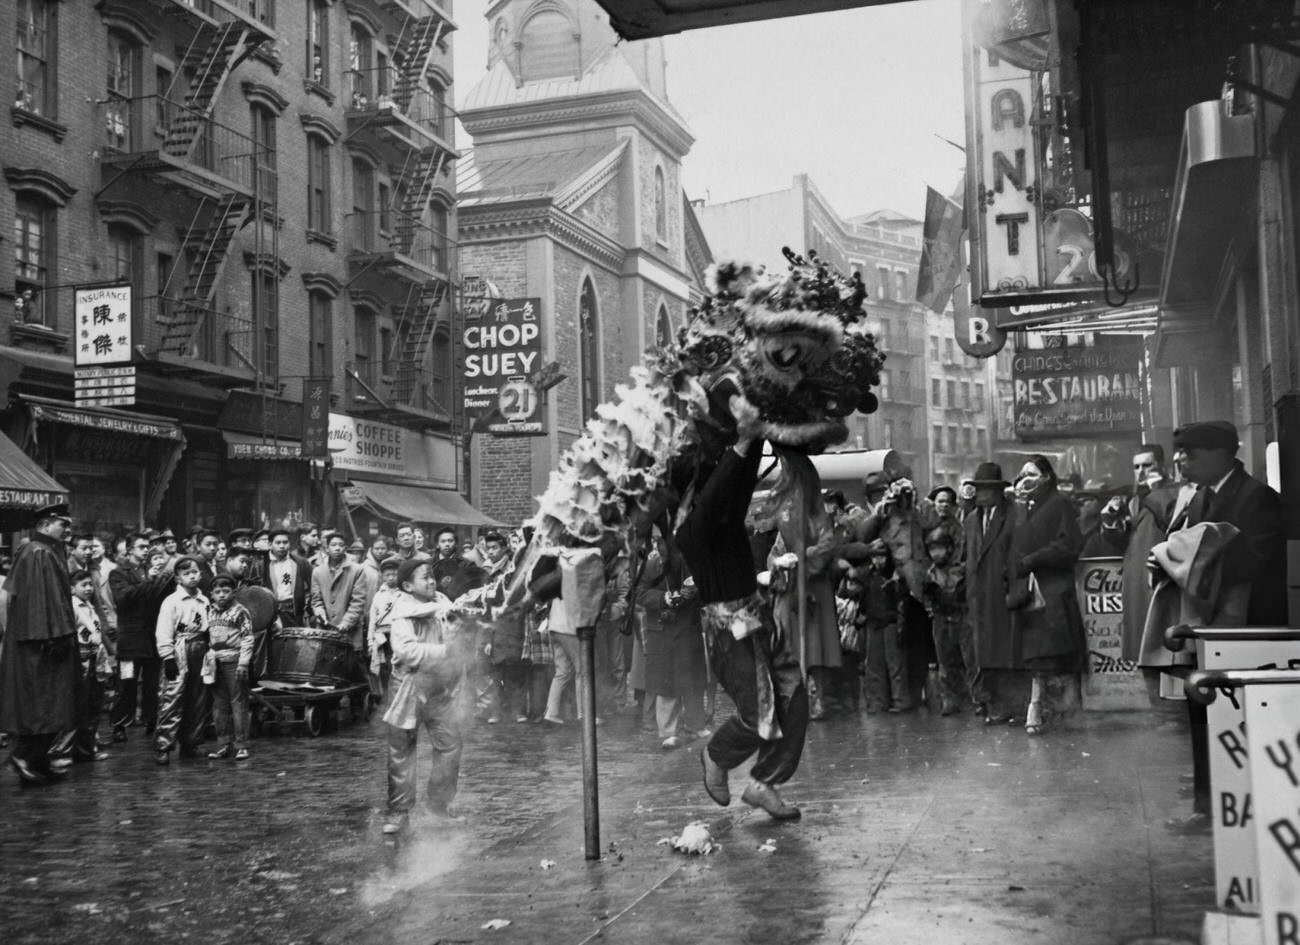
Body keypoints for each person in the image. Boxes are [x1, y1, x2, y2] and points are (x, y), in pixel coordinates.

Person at [1149, 420, 1286, 835]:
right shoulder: (1200, 498)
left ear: (1220, 454)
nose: (1179, 460)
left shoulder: (1257, 497)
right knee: (1202, 718)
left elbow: (1257, 559)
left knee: (1237, 721)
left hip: (1248, 634)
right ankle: (1208, 809)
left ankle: (1243, 809)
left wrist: (1187, 560)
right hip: (1207, 632)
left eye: (1189, 453)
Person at [676, 410, 808, 821]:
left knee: (793, 696)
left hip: (755, 614)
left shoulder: (725, 515)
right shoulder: (693, 527)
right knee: (758, 713)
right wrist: (745, 443)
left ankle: (764, 783)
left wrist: (759, 431)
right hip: (727, 627)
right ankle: (715, 757)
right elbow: (720, 490)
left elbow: (732, 486)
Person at [383, 558, 472, 833]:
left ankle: (439, 806)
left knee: (449, 745)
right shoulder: (401, 611)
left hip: (439, 687)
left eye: (432, 576)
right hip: (408, 686)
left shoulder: (444, 604)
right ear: (408, 585)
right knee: (402, 750)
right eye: (424, 578)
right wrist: (445, 652)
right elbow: (407, 651)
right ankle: (399, 812)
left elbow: (459, 639)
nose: (431, 581)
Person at [1005, 455, 1086, 736]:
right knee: (1038, 654)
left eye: (1032, 474)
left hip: (1054, 587)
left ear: (1047, 477)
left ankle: (1069, 707)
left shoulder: (1059, 503)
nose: (1026, 479)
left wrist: (1035, 559)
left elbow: (1069, 543)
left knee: (1062, 651)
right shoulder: (1023, 508)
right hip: (1032, 587)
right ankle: (1039, 705)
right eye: (1022, 474)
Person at [0, 504, 79, 786]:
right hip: (41, 643)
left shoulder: (42, 551)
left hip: (43, 639)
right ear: (46, 524)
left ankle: (37, 761)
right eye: (63, 524)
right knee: (43, 704)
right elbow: (37, 601)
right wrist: (54, 636)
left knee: (51, 705)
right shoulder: (38, 553)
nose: (67, 530)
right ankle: (24, 756)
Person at [636, 533, 708, 749]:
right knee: (666, 682)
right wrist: (664, 599)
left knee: (693, 680)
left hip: (688, 630)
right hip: (663, 631)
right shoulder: (650, 566)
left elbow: (706, 591)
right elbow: (639, 594)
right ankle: (667, 730)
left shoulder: (693, 565)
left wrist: (695, 593)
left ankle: (695, 726)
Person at [1119, 444, 1182, 666]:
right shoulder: (1135, 499)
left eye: (1147, 465)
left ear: (1161, 466)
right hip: (1136, 576)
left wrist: (1156, 491)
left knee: (1159, 640)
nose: (1141, 472)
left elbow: (1172, 522)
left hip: (1160, 575)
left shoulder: (1174, 492)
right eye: (1136, 467)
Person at [962, 462, 1014, 723]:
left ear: (997, 491)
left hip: (999, 591)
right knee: (980, 652)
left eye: (986, 489)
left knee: (1001, 651)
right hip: (977, 596)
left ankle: (1002, 704)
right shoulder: (971, 520)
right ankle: (986, 701)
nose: (981, 494)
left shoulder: (1011, 515)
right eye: (978, 489)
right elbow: (969, 557)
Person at [109, 539, 173, 740]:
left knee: (152, 684)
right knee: (126, 684)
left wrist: (162, 580)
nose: (146, 551)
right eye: (141, 547)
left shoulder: (152, 571)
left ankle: (151, 721)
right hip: (130, 640)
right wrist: (149, 581)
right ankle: (119, 724)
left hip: (151, 638)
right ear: (130, 551)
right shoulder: (119, 573)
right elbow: (124, 598)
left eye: (147, 547)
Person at [51, 569, 113, 766]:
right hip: (81, 658)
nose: (88, 589)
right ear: (71, 588)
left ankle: (86, 749)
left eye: (89, 585)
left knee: (92, 706)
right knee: (76, 705)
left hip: (95, 657)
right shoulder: (72, 606)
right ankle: (62, 752)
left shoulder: (89, 605)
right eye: (83, 585)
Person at [154, 556, 211, 765]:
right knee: (172, 698)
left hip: (200, 647)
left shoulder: (204, 600)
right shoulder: (172, 602)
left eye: (195, 572)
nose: (192, 576)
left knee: (197, 698)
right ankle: (164, 746)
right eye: (187, 573)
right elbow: (163, 631)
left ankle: (191, 743)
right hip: (179, 648)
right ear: (178, 578)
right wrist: (167, 656)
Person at [920, 526, 970, 716]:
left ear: (949, 549)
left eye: (940, 548)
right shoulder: (929, 574)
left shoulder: (961, 570)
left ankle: (977, 698)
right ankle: (950, 699)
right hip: (941, 620)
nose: (936, 553)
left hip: (962, 617)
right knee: (945, 663)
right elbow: (925, 598)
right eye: (933, 549)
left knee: (969, 660)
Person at [205, 576, 253, 761]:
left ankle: (241, 745)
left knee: (238, 703)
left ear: (233, 592)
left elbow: (248, 638)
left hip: (235, 662)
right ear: (212, 594)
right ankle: (223, 744)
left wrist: (243, 662)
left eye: (226, 591)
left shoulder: (240, 612)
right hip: (215, 662)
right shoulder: (210, 611)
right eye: (217, 592)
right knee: (219, 705)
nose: (222, 595)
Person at [858, 539, 907, 713]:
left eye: (882, 557)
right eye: (875, 558)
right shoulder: (866, 576)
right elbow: (863, 599)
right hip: (874, 623)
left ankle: (899, 700)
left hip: (890, 622)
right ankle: (878, 702)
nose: (879, 561)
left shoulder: (895, 577)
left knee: (895, 664)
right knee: (874, 665)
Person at [310, 532, 369, 655]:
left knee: (349, 667)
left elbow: (358, 602)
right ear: (327, 548)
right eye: (333, 545)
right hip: (325, 629)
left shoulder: (357, 570)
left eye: (341, 545)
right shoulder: (318, 572)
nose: (337, 548)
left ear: (345, 548)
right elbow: (316, 600)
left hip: (349, 631)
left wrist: (346, 623)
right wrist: (320, 615)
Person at [261, 527, 311, 627]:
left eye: (285, 542)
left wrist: (306, 608)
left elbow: (310, 588)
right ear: (270, 544)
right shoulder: (262, 564)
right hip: (271, 612)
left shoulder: (301, 563)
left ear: (290, 543)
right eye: (278, 543)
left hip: (295, 610)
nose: (282, 546)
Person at [368, 555, 403, 697]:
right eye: (387, 575)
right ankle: (386, 699)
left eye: (394, 574)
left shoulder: (404, 594)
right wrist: (370, 641)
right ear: (382, 576)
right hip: (383, 637)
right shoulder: (378, 595)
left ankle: (399, 698)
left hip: (400, 636)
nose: (391, 578)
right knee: (384, 668)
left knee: (399, 667)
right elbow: (372, 620)